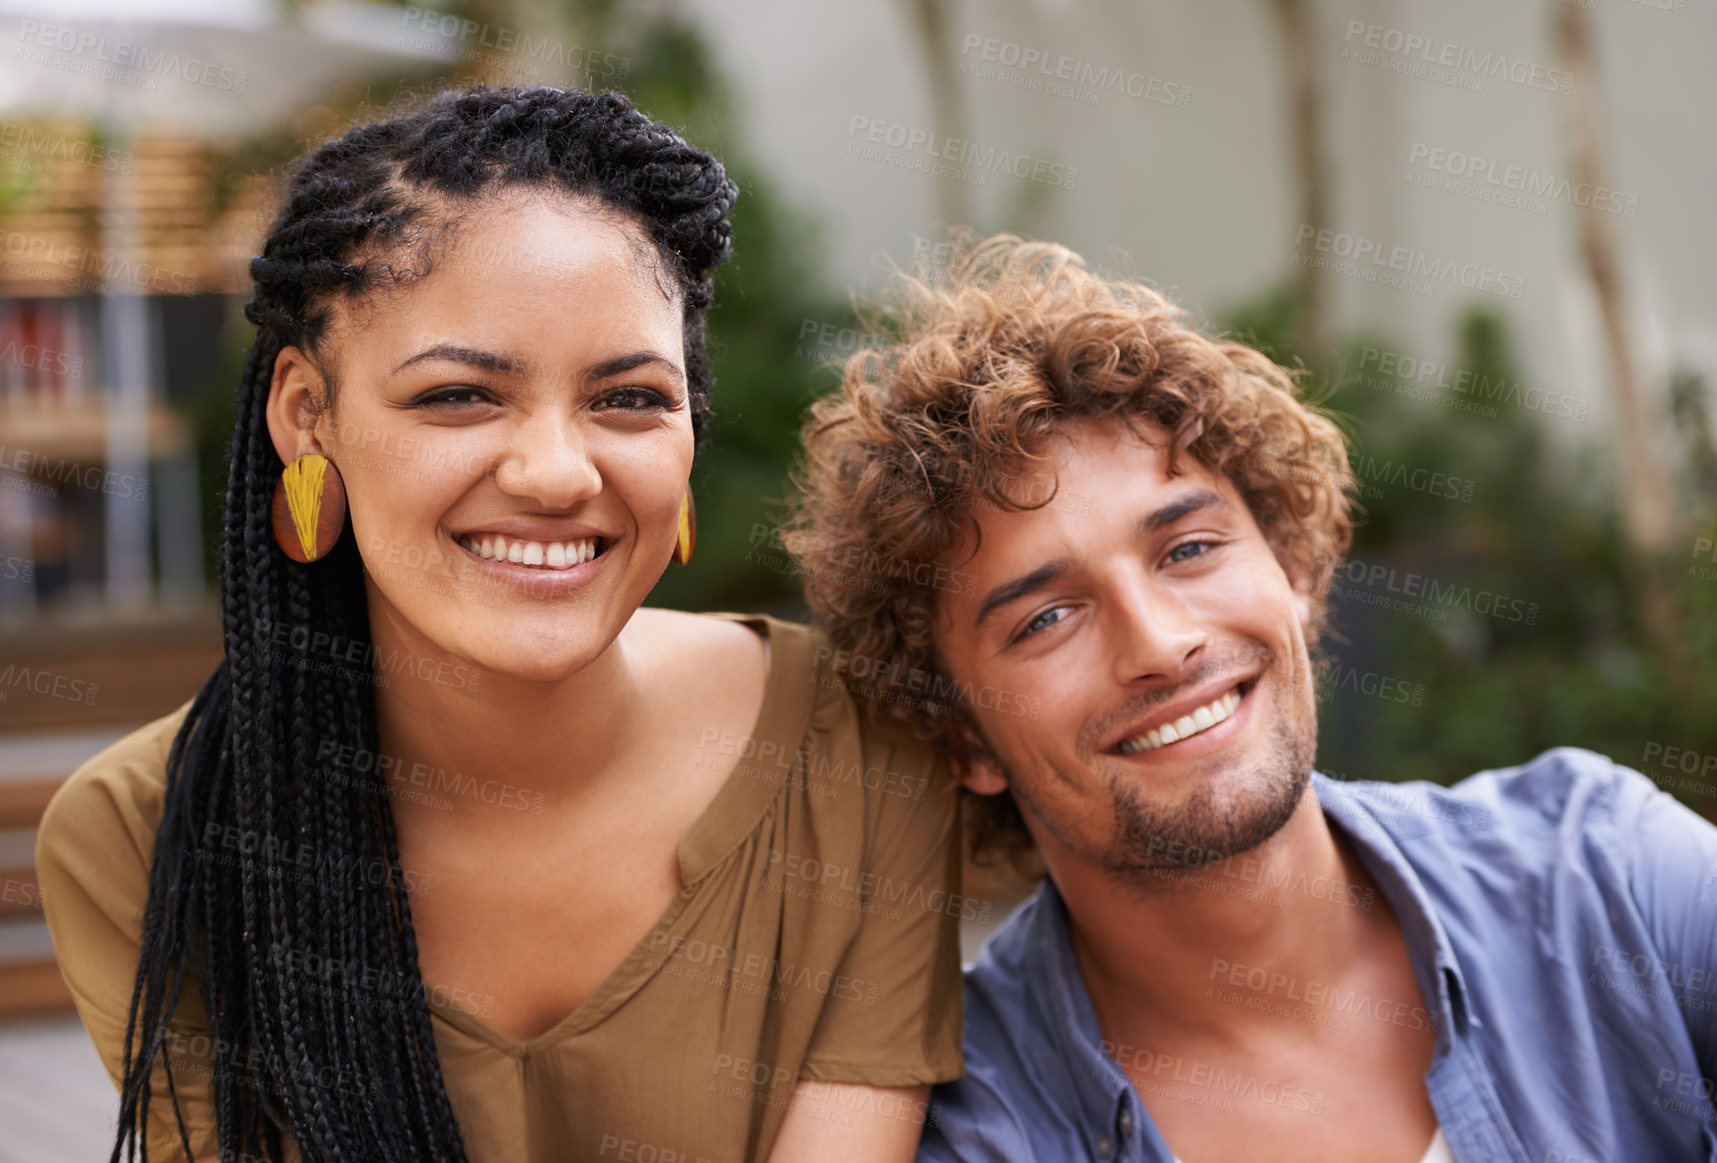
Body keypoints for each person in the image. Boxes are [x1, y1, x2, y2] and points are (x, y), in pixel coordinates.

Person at [36, 85, 962, 1163]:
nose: (557, 473)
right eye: (459, 396)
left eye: (629, 398)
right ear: (307, 415)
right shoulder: (149, 834)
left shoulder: (857, 744)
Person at [782, 234, 1717, 1162]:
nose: (1158, 643)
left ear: (1295, 568)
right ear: (961, 741)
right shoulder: (971, 1132)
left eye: (1187, 549)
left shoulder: (1602, 879)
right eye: (1047, 618)